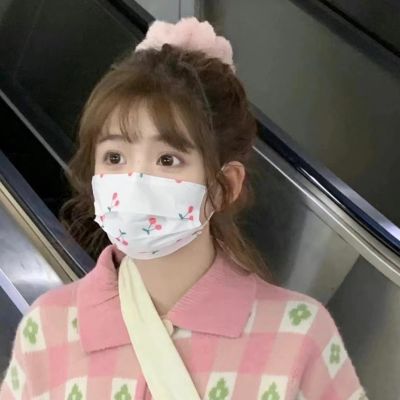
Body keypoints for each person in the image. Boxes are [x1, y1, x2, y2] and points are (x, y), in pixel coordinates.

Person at [0, 17, 368, 400]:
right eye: (114, 157)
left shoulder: (299, 337)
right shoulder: (48, 328)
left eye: (168, 160)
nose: (135, 180)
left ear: (224, 186)